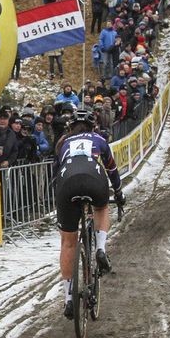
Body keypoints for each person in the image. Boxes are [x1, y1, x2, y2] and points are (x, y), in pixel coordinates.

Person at [53, 108, 124, 319]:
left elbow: (55, 174)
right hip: (94, 176)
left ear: (70, 128)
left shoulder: (62, 144)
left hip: (67, 183)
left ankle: (68, 298)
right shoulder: (99, 139)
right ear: (93, 126)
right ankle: (101, 249)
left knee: (68, 242)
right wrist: (119, 193)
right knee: (101, 207)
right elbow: (112, 169)